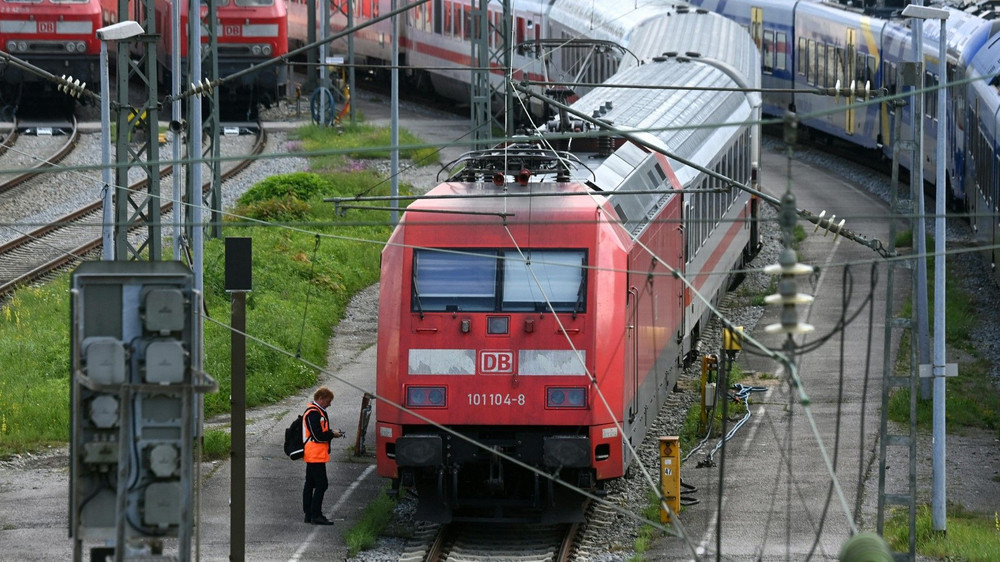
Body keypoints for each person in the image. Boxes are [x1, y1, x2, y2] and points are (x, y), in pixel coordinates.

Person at [302, 386, 343, 525]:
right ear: (320, 398)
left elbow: (318, 432)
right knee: (321, 484)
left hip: (315, 454)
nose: (330, 404)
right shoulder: (314, 413)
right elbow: (318, 436)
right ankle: (316, 515)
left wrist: (331, 432)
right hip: (315, 454)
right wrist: (332, 434)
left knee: (310, 483)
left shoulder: (318, 411)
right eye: (328, 400)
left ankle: (309, 514)